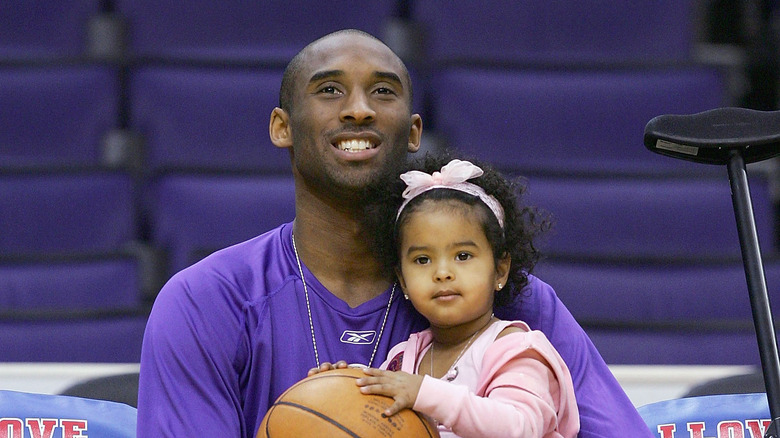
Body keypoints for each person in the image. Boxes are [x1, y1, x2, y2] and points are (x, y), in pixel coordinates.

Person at [136, 28, 654, 437]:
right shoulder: (207, 302)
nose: (359, 108)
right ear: (282, 127)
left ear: (412, 132)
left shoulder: (511, 298)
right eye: (330, 90)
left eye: (382, 91)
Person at [310, 156, 580, 437]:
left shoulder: (516, 349)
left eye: (462, 256)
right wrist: (341, 385)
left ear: (500, 270)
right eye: (422, 259)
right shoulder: (404, 358)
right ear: (402, 280)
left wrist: (425, 393)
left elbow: (521, 427)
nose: (442, 273)